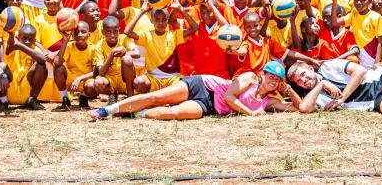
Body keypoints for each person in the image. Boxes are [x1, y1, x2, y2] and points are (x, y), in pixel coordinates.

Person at [89, 61, 299, 120]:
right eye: (271, 76)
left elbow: (299, 109)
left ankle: (135, 112)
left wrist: (289, 89)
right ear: (264, 74)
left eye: (277, 80)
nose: (273, 81)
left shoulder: (268, 101)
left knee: (174, 113)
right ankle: (108, 110)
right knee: (156, 97)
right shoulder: (251, 77)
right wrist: (251, 113)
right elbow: (228, 96)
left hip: (210, 106)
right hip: (204, 85)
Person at [126, 0, 199, 93]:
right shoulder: (146, 35)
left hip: (172, 78)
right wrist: (142, 11)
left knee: (186, 87)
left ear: (167, 20)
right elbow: (127, 32)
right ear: (151, 20)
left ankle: (164, 98)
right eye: (157, 20)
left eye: (164, 19)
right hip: (153, 78)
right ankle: (153, 98)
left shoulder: (174, 35)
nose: (161, 23)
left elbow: (195, 27)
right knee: (138, 82)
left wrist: (180, 9)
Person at [2, 24, 48, 111]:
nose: (27, 41)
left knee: (41, 66)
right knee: (2, 66)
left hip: (26, 88)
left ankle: (32, 99)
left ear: (34, 41)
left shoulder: (34, 48)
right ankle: (2, 101)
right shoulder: (13, 47)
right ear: (18, 37)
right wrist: (12, 35)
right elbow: (9, 45)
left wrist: (21, 47)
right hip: (11, 86)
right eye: (24, 38)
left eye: (30, 39)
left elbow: (42, 60)